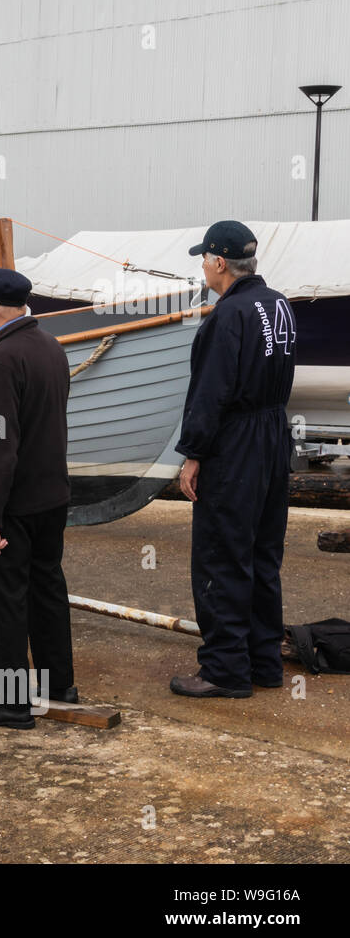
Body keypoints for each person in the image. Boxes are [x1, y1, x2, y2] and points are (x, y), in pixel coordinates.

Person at [171, 221, 297, 698]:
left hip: (237, 441)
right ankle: (263, 662)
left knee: (222, 555)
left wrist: (193, 454)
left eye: (204, 258)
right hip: (273, 434)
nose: (202, 266)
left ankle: (225, 670)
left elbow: (210, 392)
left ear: (220, 262)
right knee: (263, 553)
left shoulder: (227, 316)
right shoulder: (278, 305)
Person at [0, 268, 76, 729]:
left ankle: (11, 703)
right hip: (52, 495)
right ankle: (57, 685)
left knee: (6, 598)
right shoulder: (50, 348)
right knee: (47, 588)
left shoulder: (3, 360)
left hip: (15, 502)